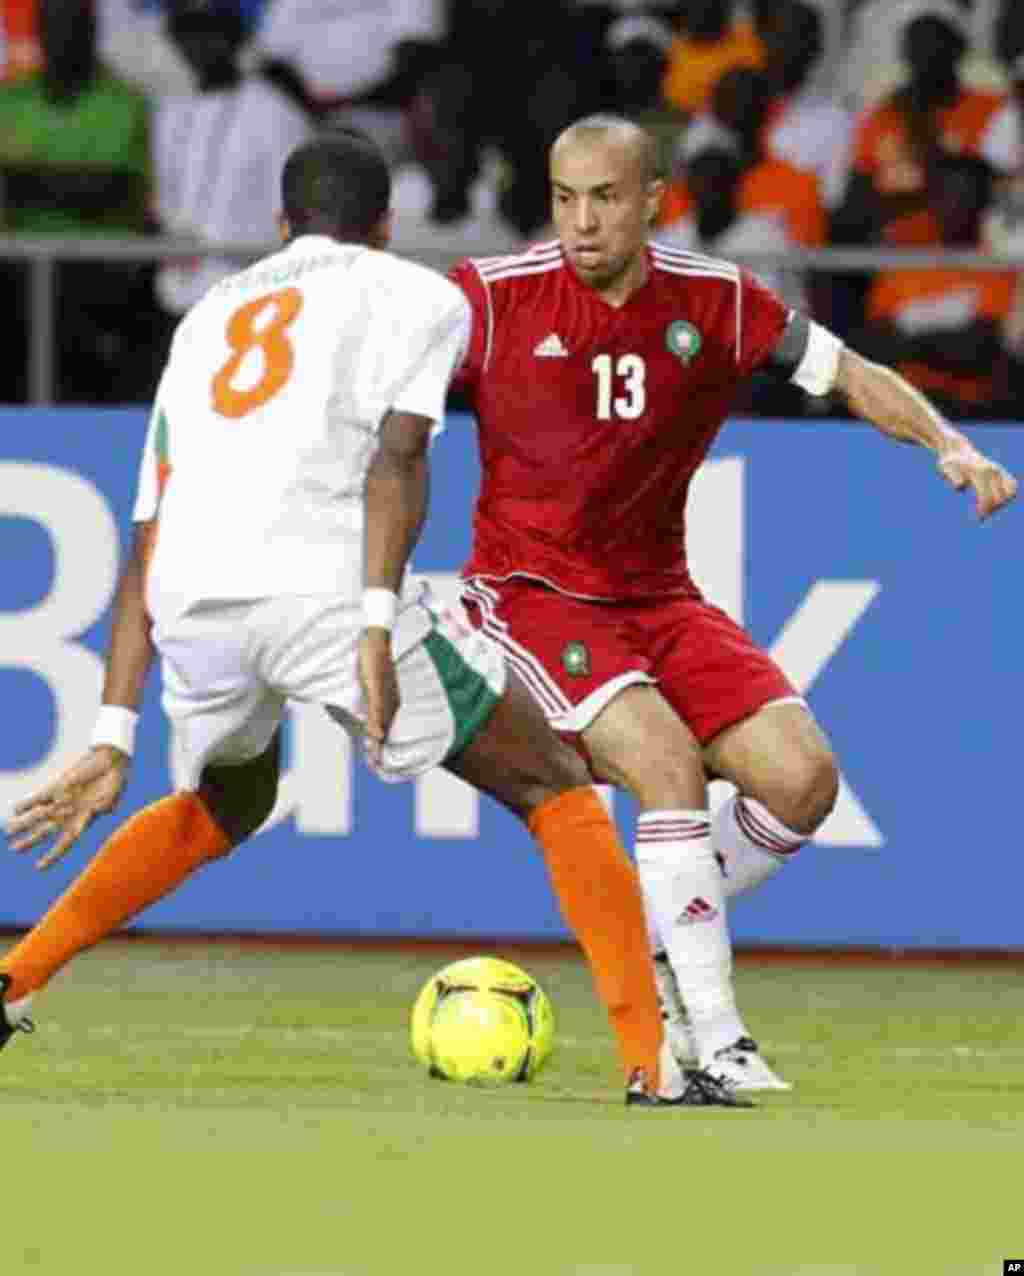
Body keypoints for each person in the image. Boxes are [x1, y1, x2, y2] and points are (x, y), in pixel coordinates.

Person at [0, 131, 746, 1110]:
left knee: (231, 799)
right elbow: (400, 458)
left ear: (279, 225)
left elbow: (149, 528)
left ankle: (12, 980)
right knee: (555, 781)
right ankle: (654, 1066)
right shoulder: (413, 295)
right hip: (319, 585)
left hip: (192, 592)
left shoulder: (208, 317)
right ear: (386, 226)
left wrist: (112, 731)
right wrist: (374, 621)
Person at [448, 114, 1017, 1091]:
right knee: (667, 763)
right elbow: (377, 388)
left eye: (606, 197)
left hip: (658, 596)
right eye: (564, 197)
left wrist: (946, 444)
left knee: (801, 780)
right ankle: (711, 1040)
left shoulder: (714, 299)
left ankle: (664, 928)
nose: (581, 221)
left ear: (654, 200)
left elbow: (848, 371)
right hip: (532, 593)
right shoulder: (491, 298)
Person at [855, 153, 1014, 418]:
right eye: (945, 193)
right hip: (902, 403)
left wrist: (907, 343)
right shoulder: (907, 260)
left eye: (966, 195)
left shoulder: (998, 268)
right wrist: (939, 345)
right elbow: (874, 344)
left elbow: (978, 352)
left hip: (969, 407)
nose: (955, 204)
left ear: (982, 201)